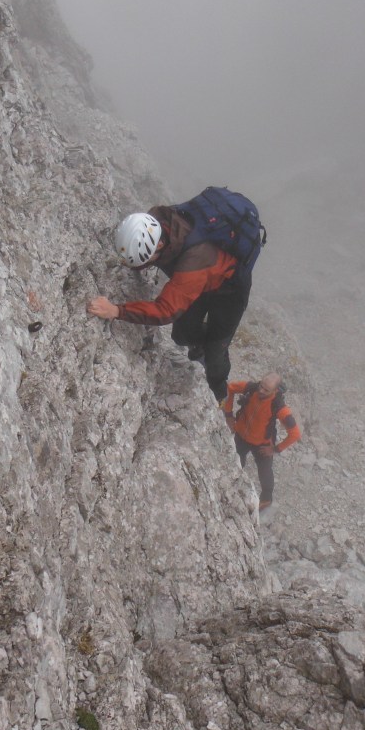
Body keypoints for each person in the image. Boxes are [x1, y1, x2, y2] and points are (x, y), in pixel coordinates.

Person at [86, 206, 252, 403]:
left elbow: (165, 311)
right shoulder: (156, 220)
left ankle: (219, 390)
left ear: (160, 245)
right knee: (181, 336)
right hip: (199, 280)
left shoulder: (194, 259)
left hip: (229, 291)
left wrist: (116, 310)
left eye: (149, 258)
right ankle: (200, 344)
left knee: (216, 351)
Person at [222, 372, 301, 512]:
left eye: (266, 390)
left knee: (265, 472)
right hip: (241, 435)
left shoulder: (279, 406)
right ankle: (233, 487)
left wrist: (275, 449)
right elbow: (230, 387)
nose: (261, 391)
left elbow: (295, 434)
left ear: (276, 390)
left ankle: (266, 501)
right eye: (261, 386)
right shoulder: (251, 388)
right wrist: (228, 415)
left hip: (262, 444)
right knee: (237, 462)